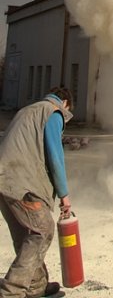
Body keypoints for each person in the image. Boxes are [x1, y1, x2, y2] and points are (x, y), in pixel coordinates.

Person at [0, 86, 74, 297]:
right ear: (65, 103)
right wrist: (64, 194)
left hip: (4, 180)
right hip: (22, 183)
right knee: (43, 230)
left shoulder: (27, 110)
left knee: (26, 235)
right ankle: (12, 291)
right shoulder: (53, 112)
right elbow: (55, 155)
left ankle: (36, 286)